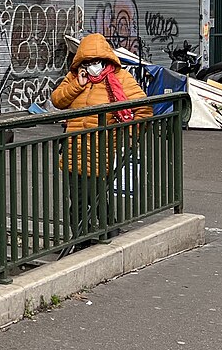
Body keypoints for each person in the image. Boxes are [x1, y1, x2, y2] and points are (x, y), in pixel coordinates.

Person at [51, 33, 154, 244]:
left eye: (97, 61)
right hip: (73, 149)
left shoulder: (121, 79)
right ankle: (83, 240)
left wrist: (130, 137)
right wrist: (77, 85)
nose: (93, 66)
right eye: (88, 62)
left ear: (106, 60)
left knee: (96, 197)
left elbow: (143, 109)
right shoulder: (75, 77)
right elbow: (57, 100)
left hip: (102, 149)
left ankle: (107, 233)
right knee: (78, 201)